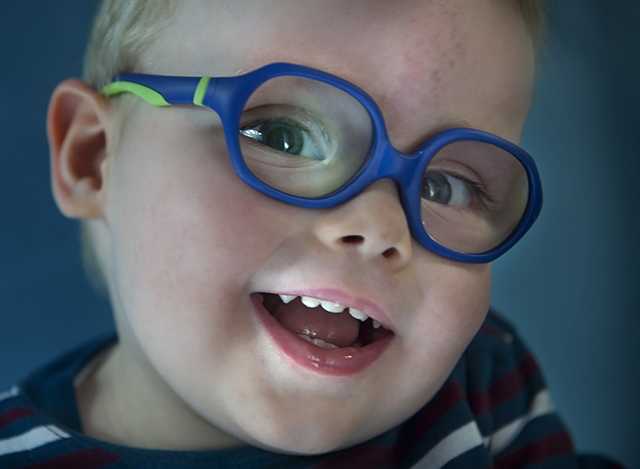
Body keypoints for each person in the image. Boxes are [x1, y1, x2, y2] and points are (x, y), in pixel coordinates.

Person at [0, 0, 625, 467]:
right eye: (282, 136)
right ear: (94, 159)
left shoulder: (483, 387)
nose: (378, 226)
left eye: (446, 187)